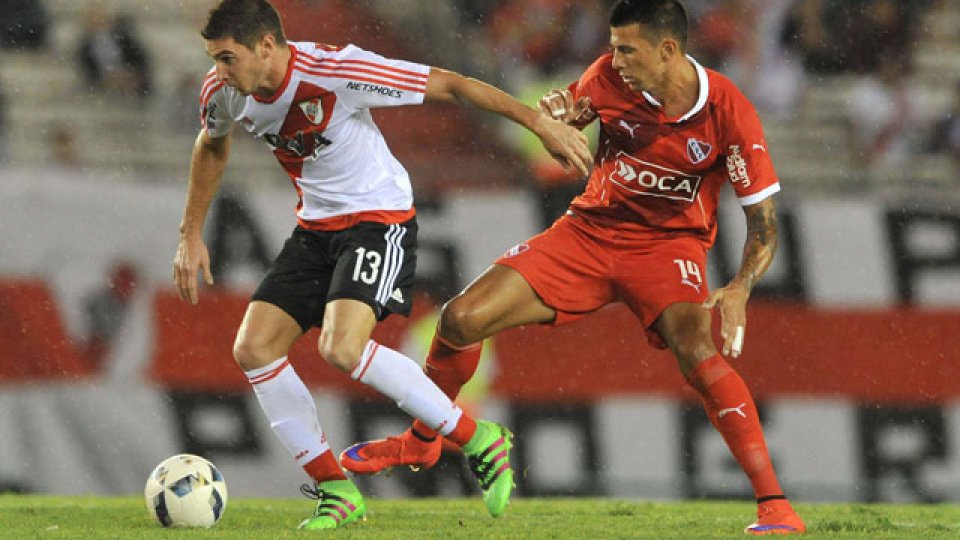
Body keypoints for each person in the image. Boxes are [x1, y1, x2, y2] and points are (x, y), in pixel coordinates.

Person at [340, 0, 805, 535]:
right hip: (587, 233)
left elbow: (764, 222)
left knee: (698, 350)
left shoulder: (729, 111)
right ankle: (423, 441)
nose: (615, 58)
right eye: (612, 47)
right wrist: (559, 111)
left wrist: (742, 284)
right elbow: (571, 109)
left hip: (668, 249)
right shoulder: (608, 77)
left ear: (668, 49)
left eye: (627, 48)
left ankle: (775, 507)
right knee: (459, 320)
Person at [171, 0, 591, 531]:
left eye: (227, 58)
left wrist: (538, 124)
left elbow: (453, 85)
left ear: (266, 47)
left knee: (340, 348)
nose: (219, 72)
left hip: (378, 219)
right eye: (213, 59)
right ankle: (336, 491)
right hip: (316, 229)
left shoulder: (337, 71)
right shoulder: (222, 93)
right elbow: (211, 145)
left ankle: (478, 438)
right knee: (252, 349)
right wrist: (190, 233)